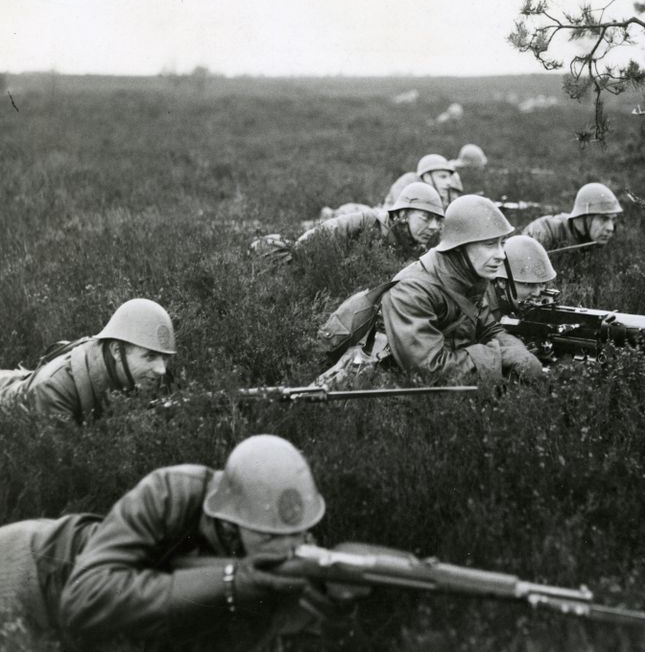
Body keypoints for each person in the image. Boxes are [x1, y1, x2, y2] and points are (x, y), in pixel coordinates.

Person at [0, 435, 335, 651]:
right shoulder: (171, 493)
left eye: (300, 532)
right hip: (24, 571)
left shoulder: (277, 536)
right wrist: (231, 582)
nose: (290, 547)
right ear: (232, 523)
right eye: (269, 535)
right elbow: (85, 597)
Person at [380, 195, 544, 384]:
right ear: (459, 247)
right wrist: (501, 356)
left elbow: (490, 330)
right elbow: (428, 370)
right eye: (490, 244)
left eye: (501, 244)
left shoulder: (469, 277)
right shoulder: (411, 291)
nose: (501, 255)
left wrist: (518, 352)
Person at [0, 298, 176, 425]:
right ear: (116, 351)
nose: (161, 369)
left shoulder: (150, 375)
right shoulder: (53, 390)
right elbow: (64, 466)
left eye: (165, 358)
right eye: (150, 356)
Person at [295, 181, 444, 256]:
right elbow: (323, 234)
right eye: (426, 218)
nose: (434, 227)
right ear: (404, 214)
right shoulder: (368, 221)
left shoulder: (420, 250)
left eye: (438, 220)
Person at [521, 182, 623, 251]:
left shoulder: (595, 239)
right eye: (603, 219)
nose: (611, 228)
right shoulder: (544, 231)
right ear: (584, 218)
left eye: (613, 219)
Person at [485, 235, 557, 321]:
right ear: (502, 282)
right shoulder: (482, 310)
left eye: (542, 284)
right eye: (528, 284)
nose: (537, 293)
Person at [383, 154, 463, 209]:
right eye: (443, 177)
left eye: (449, 177)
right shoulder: (408, 185)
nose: (449, 182)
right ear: (427, 177)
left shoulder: (441, 194)